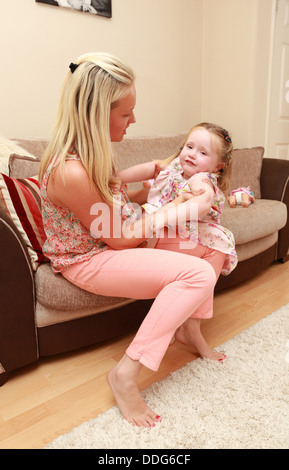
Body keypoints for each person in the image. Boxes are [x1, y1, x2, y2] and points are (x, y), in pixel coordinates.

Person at [39, 52, 221, 428]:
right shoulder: (70, 170)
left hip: (109, 241)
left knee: (212, 248)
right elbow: (119, 238)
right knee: (197, 274)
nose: (133, 120)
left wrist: (160, 192)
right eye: (126, 113)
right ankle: (124, 374)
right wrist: (179, 211)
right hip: (87, 259)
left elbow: (111, 207)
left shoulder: (92, 154)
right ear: (97, 112)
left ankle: (189, 326)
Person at [118, 122, 237, 351]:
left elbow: (204, 200)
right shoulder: (173, 168)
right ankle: (191, 328)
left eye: (203, 153)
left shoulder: (201, 179)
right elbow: (151, 167)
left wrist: (165, 216)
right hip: (156, 233)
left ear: (217, 167)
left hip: (156, 230)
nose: (192, 154)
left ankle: (185, 325)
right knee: (219, 248)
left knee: (216, 246)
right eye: (189, 147)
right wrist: (116, 178)